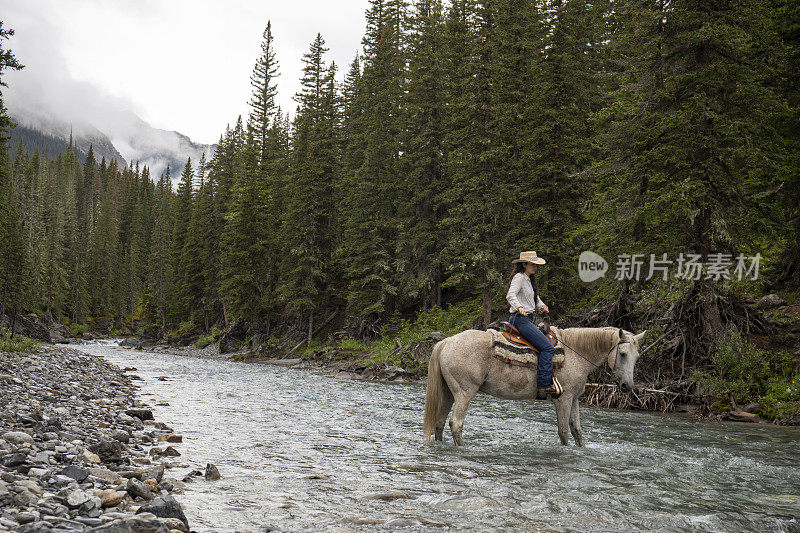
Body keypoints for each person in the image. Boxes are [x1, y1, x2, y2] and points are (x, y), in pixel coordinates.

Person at [506, 251, 562, 399]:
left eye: (536, 265)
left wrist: (542, 306)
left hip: (526, 318)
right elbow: (510, 295)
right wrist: (519, 307)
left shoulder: (528, 279)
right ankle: (543, 386)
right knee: (548, 348)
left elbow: (533, 299)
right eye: (533, 264)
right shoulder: (519, 278)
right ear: (524, 264)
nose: (535, 267)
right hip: (520, 319)